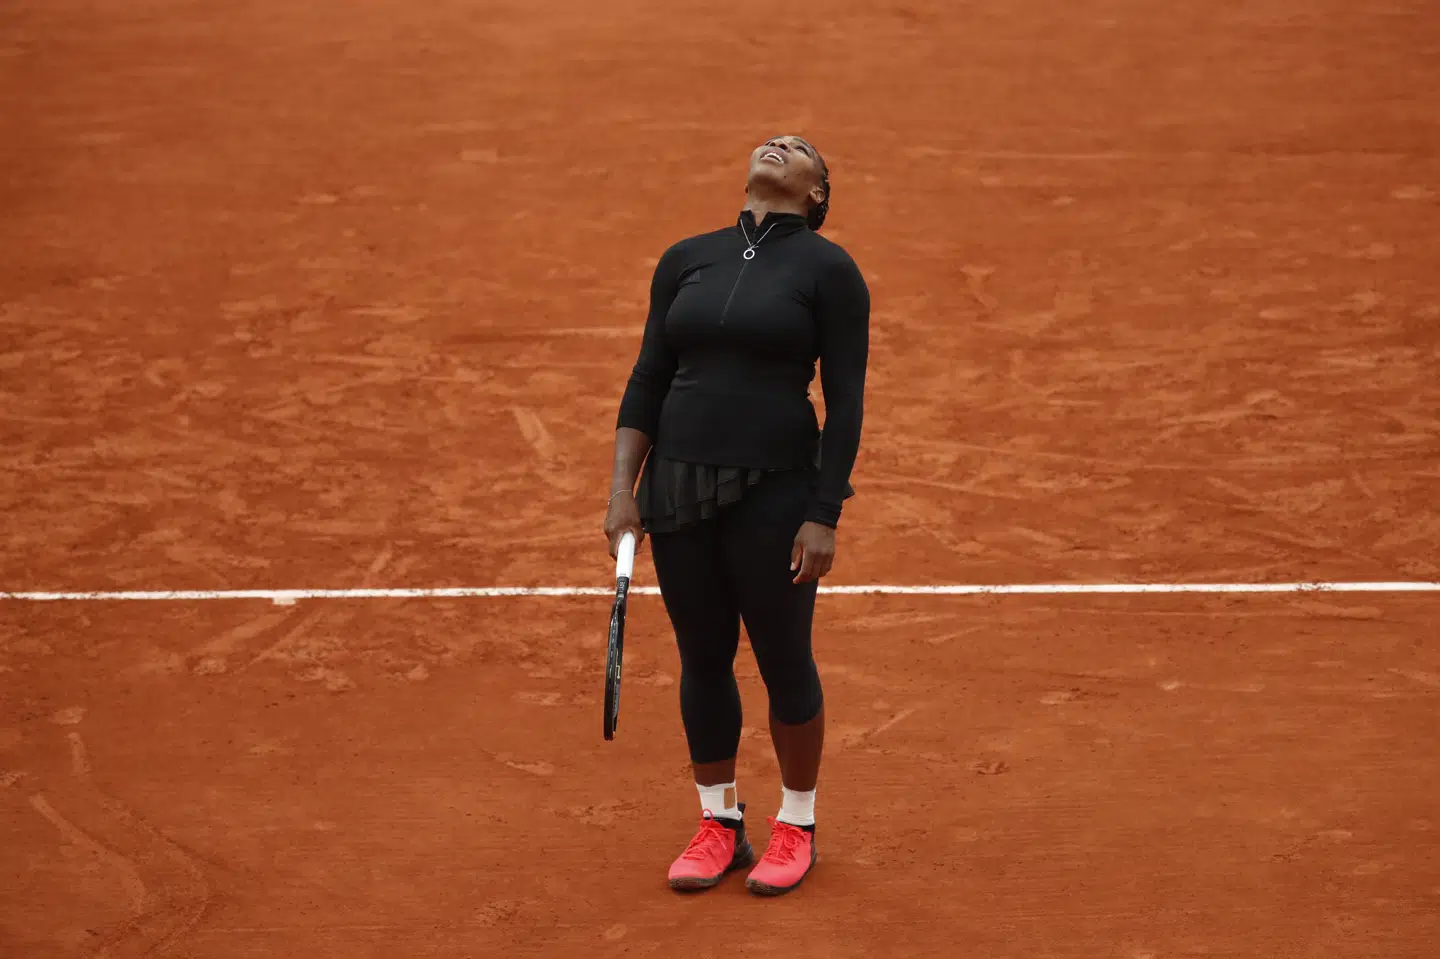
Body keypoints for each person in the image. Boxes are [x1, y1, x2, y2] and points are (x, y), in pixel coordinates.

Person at [603, 134, 869, 897]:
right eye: (772, 140)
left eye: (802, 150)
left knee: (785, 658)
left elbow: (846, 401)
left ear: (817, 195)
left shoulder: (829, 270)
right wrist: (625, 489)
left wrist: (825, 512)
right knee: (704, 657)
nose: (780, 144)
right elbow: (648, 375)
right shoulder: (687, 257)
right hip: (677, 489)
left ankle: (798, 823)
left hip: (776, 490)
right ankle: (719, 822)